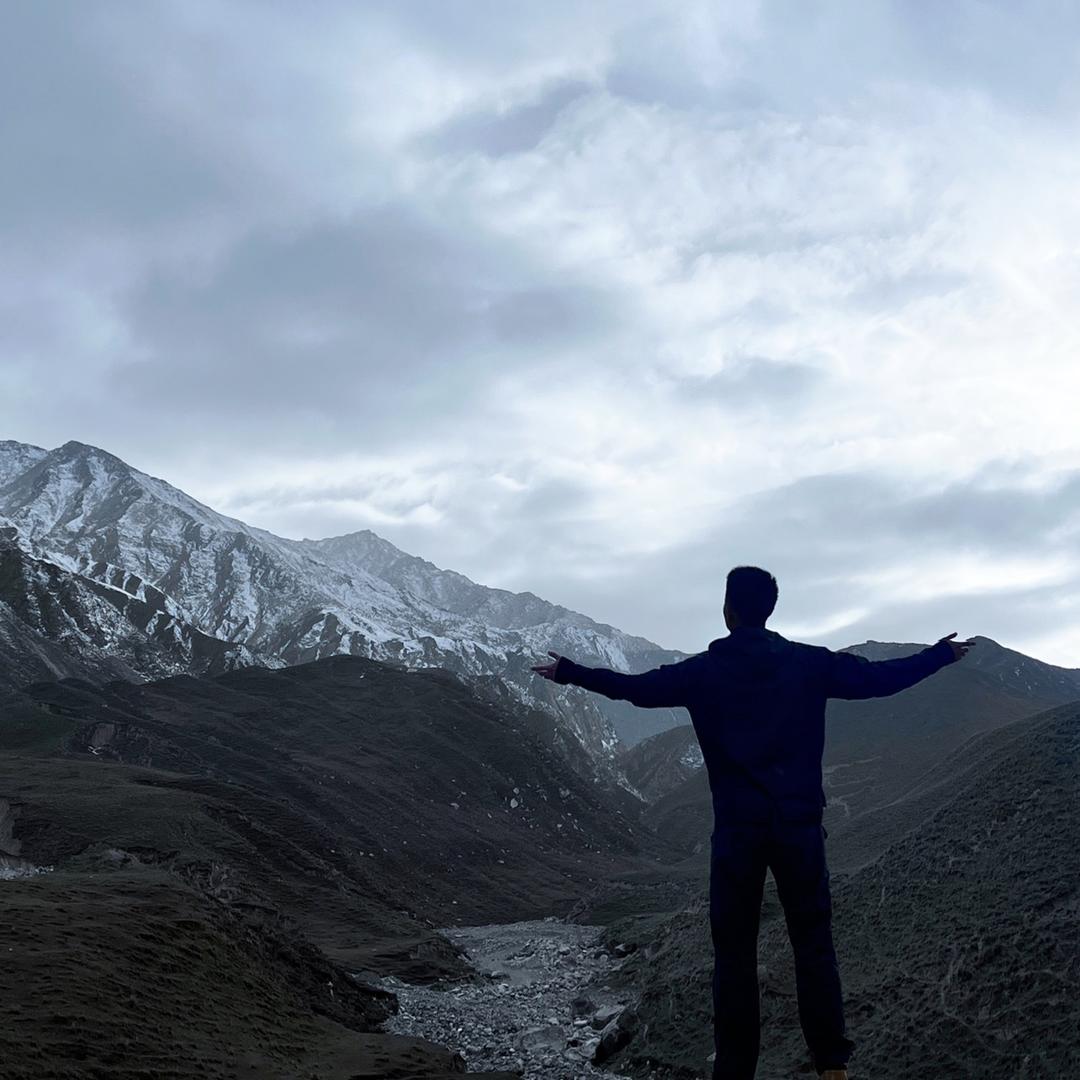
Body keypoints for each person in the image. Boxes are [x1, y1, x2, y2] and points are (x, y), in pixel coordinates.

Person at [531, 565, 975, 1080]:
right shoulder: (809, 665)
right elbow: (880, 680)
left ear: (728, 611)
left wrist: (571, 673)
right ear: (770, 609)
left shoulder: (701, 672)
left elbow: (634, 689)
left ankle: (737, 1070)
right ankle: (832, 1066)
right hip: (800, 828)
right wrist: (939, 655)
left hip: (738, 835)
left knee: (734, 955)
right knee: (813, 944)